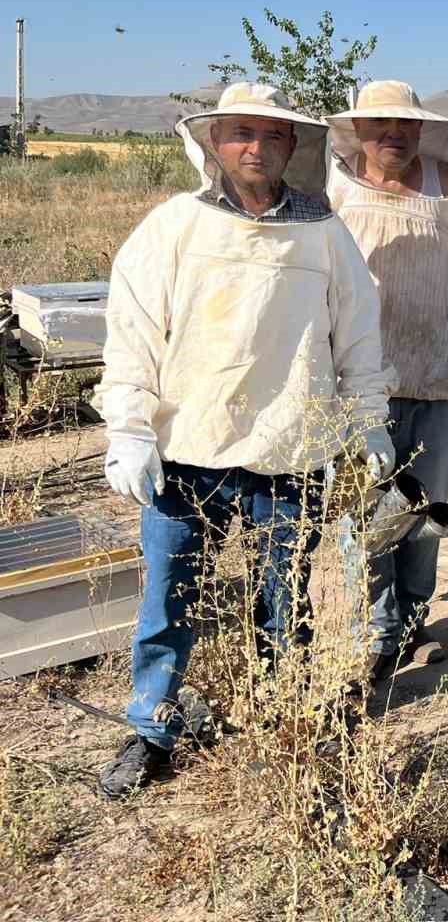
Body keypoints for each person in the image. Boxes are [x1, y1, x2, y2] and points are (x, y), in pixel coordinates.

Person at [96, 82, 394, 800]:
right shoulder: (173, 227)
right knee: (170, 598)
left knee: (282, 598)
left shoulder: (324, 234)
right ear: (214, 143)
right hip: (186, 448)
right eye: (239, 133)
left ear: (293, 147)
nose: (254, 148)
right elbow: (133, 331)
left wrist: (368, 418)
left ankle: (279, 719)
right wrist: (130, 426)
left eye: (271, 135)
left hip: (289, 448)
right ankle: (151, 729)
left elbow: (356, 332)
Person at [327, 80, 448, 677]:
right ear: (357, 129)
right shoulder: (331, 186)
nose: (394, 135)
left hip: (435, 371)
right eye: (381, 125)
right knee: (368, 511)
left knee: (427, 510)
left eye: (404, 125)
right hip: (357, 383)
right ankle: (373, 630)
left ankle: (410, 623)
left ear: (419, 130)